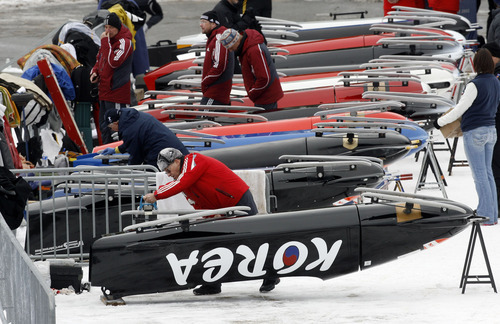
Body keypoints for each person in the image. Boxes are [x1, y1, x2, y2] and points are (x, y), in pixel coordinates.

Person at [143, 148, 279, 295]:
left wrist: (156, 195)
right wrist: (210, 217)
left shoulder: (193, 160)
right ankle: (212, 283)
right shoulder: (183, 178)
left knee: (252, 241)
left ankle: (271, 274)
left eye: (168, 170)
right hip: (219, 208)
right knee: (211, 244)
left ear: (177, 161)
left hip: (237, 199)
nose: (168, 175)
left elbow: (182, 182)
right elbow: (196, 202)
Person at [433, 48, 500, 225]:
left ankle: (485, 214)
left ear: (476, 64)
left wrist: (439, 122)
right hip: (491, 131)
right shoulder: (495, 81)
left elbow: (459, 109)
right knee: (488, 173)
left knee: (479, 175)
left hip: (475, 132)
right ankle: (492, 213)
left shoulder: (474, 85)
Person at [90, 12, 134, 144]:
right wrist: (94, 72)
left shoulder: (124, 42)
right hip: (104, 92)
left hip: (117, 93)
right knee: (104, 127)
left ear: (118, 28)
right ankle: (106, 156)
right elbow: (100, 60)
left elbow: (114, 61)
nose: (107, 31)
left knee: (117, 129)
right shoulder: (107, 42)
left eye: (111, 28)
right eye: (106, 27)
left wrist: (105, 42)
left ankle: (120, 156)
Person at [99, 108, 189, 168]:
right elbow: (134, 143)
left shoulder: (129, 130)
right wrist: (116, 150)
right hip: (173, 150)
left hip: (164, 156)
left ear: (115, 123)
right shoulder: (133, 117)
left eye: (110, 128)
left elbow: (136, 156)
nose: (112, 130)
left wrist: (128, 173)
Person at [220, 28, 283, 110]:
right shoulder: (246, 48)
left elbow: (264, 78)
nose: (231, 50)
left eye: (231, 47)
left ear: (236, 41)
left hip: (266, 97)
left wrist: (252, 92)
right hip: (262, 96)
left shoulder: (253, 50)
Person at [199, 10, 234, 106]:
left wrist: (205, 82)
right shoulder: (214, 37)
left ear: (213, 24)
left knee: (204, 118)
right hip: (216, 92)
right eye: (200, 22)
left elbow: (219, 64)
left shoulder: (219, 37)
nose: (201, 25)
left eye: (204, 22)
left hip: (215, 93)